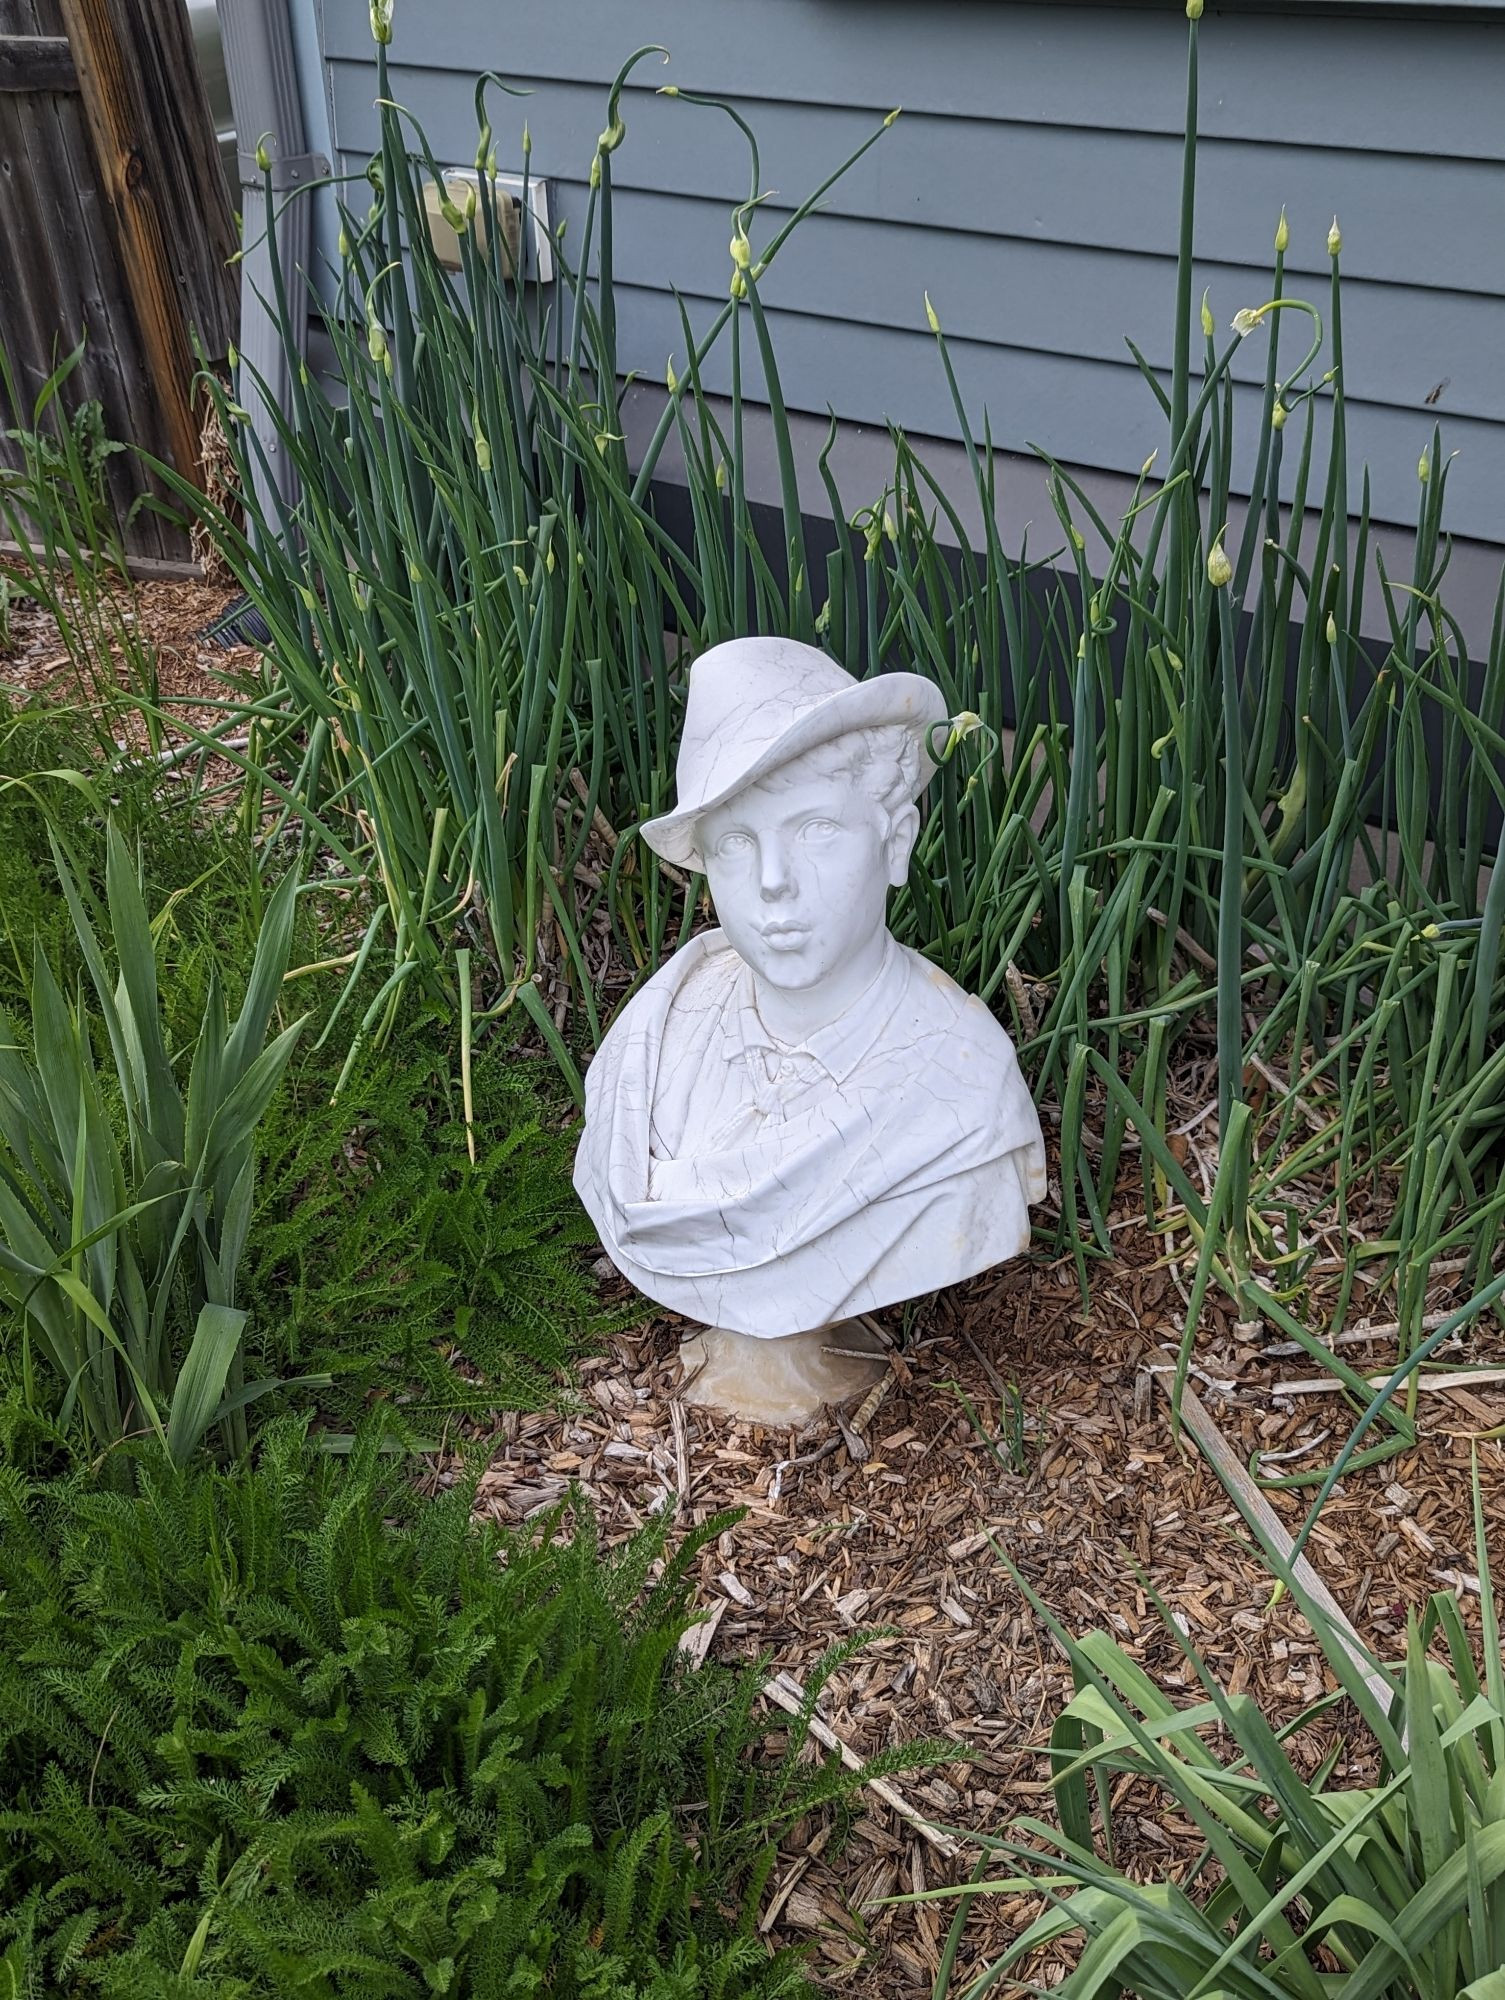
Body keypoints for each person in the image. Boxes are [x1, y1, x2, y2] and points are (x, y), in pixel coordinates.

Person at [573, 635, 1046, 1339]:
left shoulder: (961, 1084)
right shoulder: (654, 1034)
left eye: (816, 828)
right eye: (735, 842)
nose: (773, 882)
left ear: (896, 842)